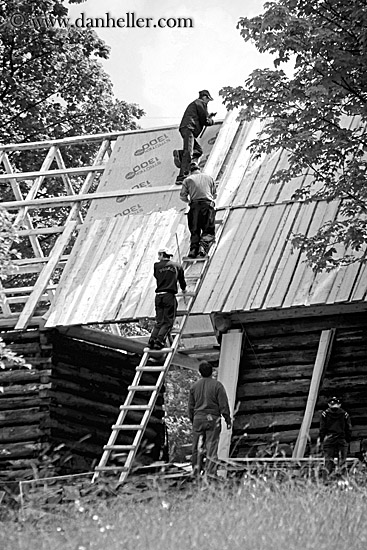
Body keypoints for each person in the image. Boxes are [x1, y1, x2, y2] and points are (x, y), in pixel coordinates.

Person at [188, 361, 231, 477]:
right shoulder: (217, 385)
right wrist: (227, 419)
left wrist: (193, 420)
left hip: (198, 419)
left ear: (200, 372)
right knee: (211, 446)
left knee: (197, 446)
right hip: (212, 419)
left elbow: (190, 407)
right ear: (212, 372)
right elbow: (223, 405)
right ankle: (210, 473)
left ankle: (196, 472)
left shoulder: (194, 387)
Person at [174, 90, 216, 185]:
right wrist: (212, 121)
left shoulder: (196, 104)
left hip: (187, 128)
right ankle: (181, 177)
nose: (208, 102)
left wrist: (209, 116)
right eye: (208, 100)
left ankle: (180, 154)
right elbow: (205, 121)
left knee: (198, 151)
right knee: (188, 152)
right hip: (189, 128)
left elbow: (201, 117)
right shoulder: (200, 103)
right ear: (205, 97)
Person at [148, 248, 186, 350]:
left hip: (159, 296)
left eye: (158, 255)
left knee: (159, 321)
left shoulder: (156, 266)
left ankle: (152, 340)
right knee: (168, 321)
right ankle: (159, 341)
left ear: (162, 254)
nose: (158, 257)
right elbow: (181, 280)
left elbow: (157, 276)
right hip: (169, 296)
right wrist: (184, 289)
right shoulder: (177, 266)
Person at [180, 162, 217, 258]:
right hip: (207, 205)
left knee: (195, 229)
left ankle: (193, 250)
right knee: (208, 228)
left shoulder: (187, 180)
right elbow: (214, 195)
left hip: (195, 206)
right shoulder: (209, 178)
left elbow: (182, 196)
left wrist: (188, 201)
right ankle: (203, 248)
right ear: (199, 169)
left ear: (190, 171)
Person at [318, 396, 352, 474]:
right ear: (339, 405)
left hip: (329, 438)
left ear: (329, 405)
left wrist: (321, 439)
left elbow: (322, 428)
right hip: (341, 438)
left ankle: (326, 481)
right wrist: (347, 439)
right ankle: (342, 481)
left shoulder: (325, 414)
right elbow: (348, 428)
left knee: (328, 461)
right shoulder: (345, 414)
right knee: (342, 461)